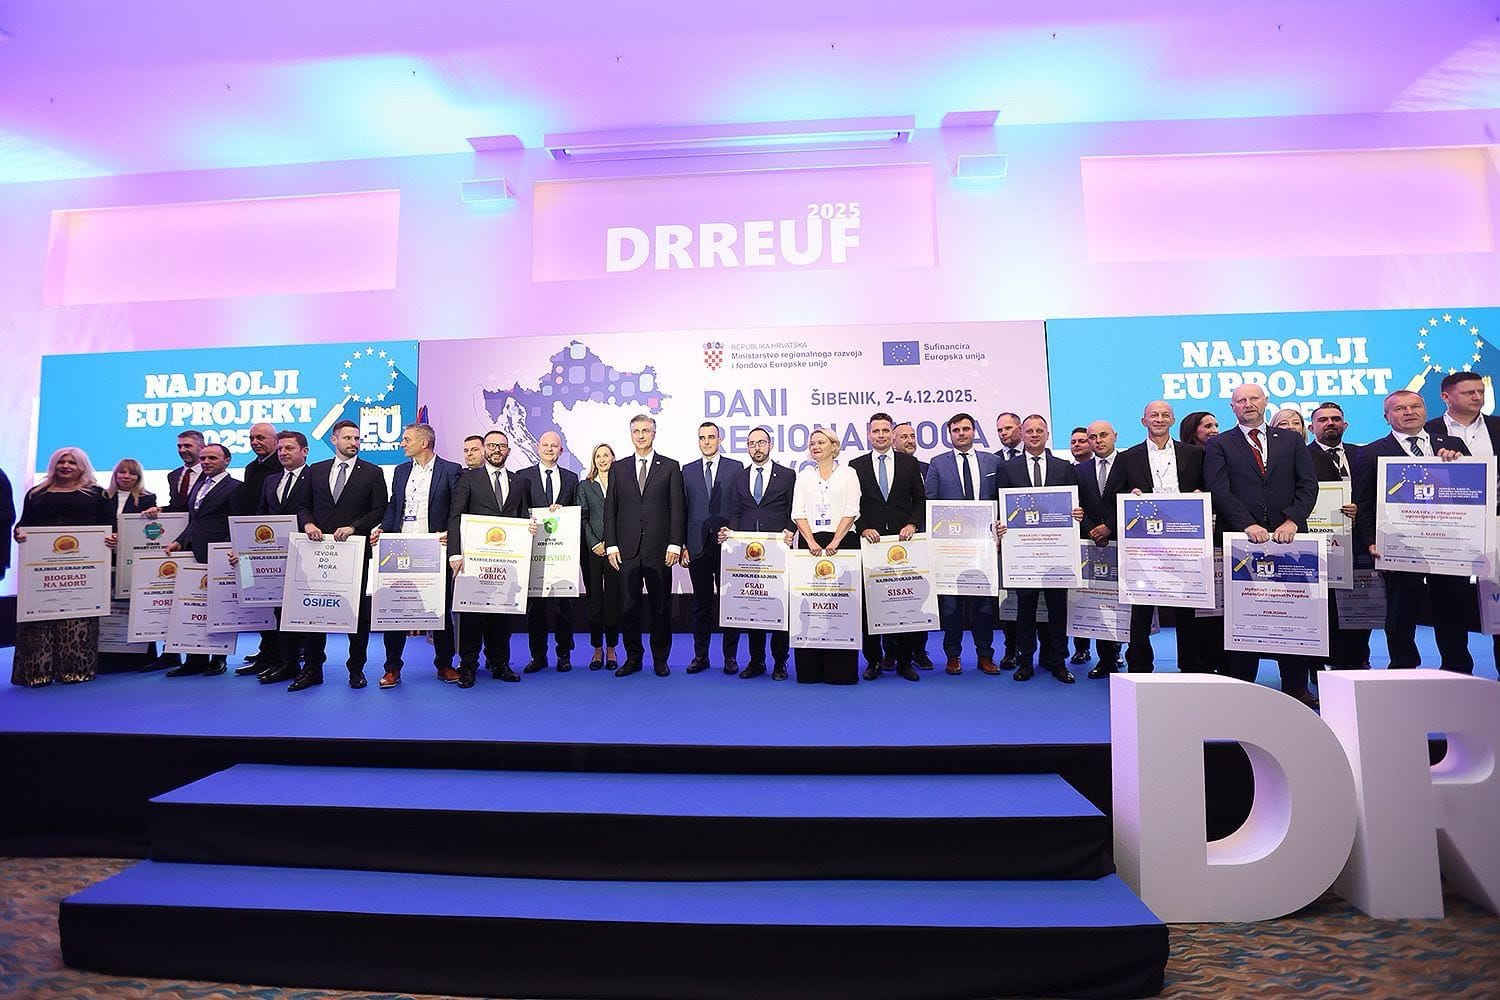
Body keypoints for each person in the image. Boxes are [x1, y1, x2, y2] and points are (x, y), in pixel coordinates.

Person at [1204, 383, 1321, 705]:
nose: (1248, 404)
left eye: (1253, 398)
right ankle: (1242, 685)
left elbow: (1308, 485)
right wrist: (1247, 524)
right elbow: (1219, 489)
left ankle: (1296, 685)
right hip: (1242, 540)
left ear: (1266, 401)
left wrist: (1293, 520)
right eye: (1240, 400)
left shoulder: (1291, 440)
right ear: (1232, 407)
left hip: (1290, 539)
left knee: (1293, 613)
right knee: (1245, 615)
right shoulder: (1219, 443)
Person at [1357, 389, 1473, 673]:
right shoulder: (1371, 452)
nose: (1409, 412)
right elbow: (1364, 503)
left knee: (1452, 609)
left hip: (1449, 544)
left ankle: (1457, 668)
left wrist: (1459, 463)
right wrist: (1371, 541)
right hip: (1399, 545)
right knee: (1401, 612)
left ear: (1425, 411)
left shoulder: (1452, 444)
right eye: (1399, 409)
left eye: (1415, 406)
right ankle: (1403, 666)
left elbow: (1472, 490)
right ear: (1386, 417)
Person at [290, 420, 388, 691]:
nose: (353, 443)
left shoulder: (373, 472)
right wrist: (308, 524)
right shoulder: (316, 470)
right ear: (334, 440)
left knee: (356, 613)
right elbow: (303, 506)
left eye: (357, 438)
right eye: (347, 438)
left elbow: (379, 509)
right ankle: (313, 669)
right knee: (315, 609)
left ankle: (356, 669)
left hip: (353, 551)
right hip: (317, 551)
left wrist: (354, 527)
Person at [1114, 400, 1207, 674]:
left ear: (1173, 420)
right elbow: (1114, 494)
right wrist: (1128, 497)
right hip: (1144, 541)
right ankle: (1139, 665)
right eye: (1153, 415)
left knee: (1186, 603)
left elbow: (1206, 486)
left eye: (1165, 415)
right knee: (1141, 604)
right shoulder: (1128, 457)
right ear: (1143, 421)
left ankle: (1190, 665)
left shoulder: (1194, 454)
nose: (1159, 419)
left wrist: (1200, 494)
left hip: (1185, 539)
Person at [370, 422, 463, 689]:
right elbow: (394, 504)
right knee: (395, 609)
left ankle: (445, 664)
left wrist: (450, 535)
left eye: (407, 439)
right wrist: (383, 528)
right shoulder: (400, 471)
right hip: (400, 547)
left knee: (440, 609)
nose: (402, 444)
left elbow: (455, 509)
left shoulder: (451, 470)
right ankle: (392, 668)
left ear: (424, 443)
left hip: (435, 548)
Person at [11, 447, 113, 686]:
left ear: (82, 467)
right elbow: (23, 524)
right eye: (61, 462)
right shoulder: (36, 493)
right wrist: (18, 533)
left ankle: (76, 669)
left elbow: (109, 525)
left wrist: (113, 538)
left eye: (72, 462)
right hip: (41, 570)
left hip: (83, 570)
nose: (66, 466)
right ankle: (36, 672)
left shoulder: (98, 494)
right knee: (37, 617)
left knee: (78, 618)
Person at [1424, 371, 1500, 679]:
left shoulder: (1498, 426)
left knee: (1498, 601)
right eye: (1469, 392)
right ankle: (1456, 672)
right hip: (1449, 528)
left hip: (1496, 524)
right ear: (1446, 397)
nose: (1477, 397)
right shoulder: (1426, 432)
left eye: (1480, 391)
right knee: (1448, 602)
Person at [999, 415, 1084, 683]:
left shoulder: (1064, 467)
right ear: (1022, 434)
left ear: (1047, 434)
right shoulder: (1007, 468)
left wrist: (1078, 512)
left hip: (1056, 553)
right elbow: (999, 504)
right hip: (1023, 553)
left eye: (1039, 430)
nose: (1034, 435)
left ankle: (1058, 662)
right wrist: (998, 524)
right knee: (1025, 611)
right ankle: (1025, 662)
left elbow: (1075, 502)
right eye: (1030, 431)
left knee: (1058, 610)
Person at [605, 414, 685, 677]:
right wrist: (611, 545)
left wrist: (675, 544)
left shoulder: (670, 466)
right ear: (631, 434)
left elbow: (678, 509)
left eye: (645, 430)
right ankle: (633, 658)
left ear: (654, 433)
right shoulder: (618, 468)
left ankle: (660, 660)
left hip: (659, 550)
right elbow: (610, 509)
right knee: (629, 608)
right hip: (626, 550)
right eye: (636, 431)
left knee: (660, 608)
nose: (640, 435)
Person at [923, 412, 1001, 675]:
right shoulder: (938, 463)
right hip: (950, 547)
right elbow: (931, 501)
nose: (961, 434)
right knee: (951, 606)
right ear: (950, 434)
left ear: (974, 431)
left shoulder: (993, 461)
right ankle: (953, 655)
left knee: (983, 606)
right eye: (955, 430)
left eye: (965, 429)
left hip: (983, 545)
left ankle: (985, 655)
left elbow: (1000, 498)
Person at [156, 442, 241, 678]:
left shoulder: (236, 487)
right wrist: (179, 541)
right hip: (193, 552)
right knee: (194, 605)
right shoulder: (199, 484)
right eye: (203, 458)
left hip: (220, 554)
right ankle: (195, 659)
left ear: (227, 461)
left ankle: (219, 659)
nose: (206, 462)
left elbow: (236, 521)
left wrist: (229, 548)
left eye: (212, 458)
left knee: (220, 606)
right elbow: (195, 520)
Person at [851, 412, 925, 682]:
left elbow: (920, 499)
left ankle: (904, 661)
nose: (880, 435)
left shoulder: (909, 463)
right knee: (871, 605)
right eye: (876, 431)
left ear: (893, 434)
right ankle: (874, 660)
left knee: (903, 602)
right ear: (868, 434)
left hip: (902, 545)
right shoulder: (855, 466)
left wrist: (913, 524)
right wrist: (862, 528)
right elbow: (851, 505)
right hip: (870, 545)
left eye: (885, 430)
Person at [718, 426, 796, 680]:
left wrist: (790, 530)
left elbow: (794, 511)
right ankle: (756, 661)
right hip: (748, 554)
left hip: (778, 553)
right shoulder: (739, 477)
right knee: (754, 607)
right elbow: (736, 512)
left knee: (779, 607)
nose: (757, 448)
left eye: (761, 442)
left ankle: (780, 662)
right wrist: (731, 536)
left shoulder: (787, 475)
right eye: (752, 444)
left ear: (770, 445)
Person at [449, 430, 525, 686]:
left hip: (506, 563)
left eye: (501, 446)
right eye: (492, 446)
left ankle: (500, 663)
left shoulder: (519, 482)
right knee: (472, 616)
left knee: (501, 615)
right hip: (474, 561)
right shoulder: (469, 478)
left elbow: (522, 517)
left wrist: (529, 529)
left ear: (508, 451)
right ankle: (468, 665)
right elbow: (456, 515)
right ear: (484, 449)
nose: (497, 450)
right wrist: (455, 553)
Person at [790, 427, 861, 684]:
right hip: (810, 545)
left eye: (821, 442)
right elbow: (797, 512)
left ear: (834, 446)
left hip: (843, 543)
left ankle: (840, 670)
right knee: (811, 605)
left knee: (839, 605)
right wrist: (810, 541)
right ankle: (809, 669)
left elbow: (852, 509)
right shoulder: (804, 476)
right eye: (812, 443)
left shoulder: (849, 474)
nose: (816, 447)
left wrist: (836, 541)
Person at [1307, 402, 1370, 671]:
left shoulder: (1363, 454)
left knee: (1361, 604)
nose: (1330, 423)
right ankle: (1318, 665)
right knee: (1323, 606)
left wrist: (1361, 509)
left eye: (1335, 419)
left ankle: (1357, 660)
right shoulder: (1301, 456)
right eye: (1323, 420)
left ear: (1345, 424)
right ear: (1312, 427)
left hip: (1360, 543)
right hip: (1320, 541)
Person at [682, 422, 743, 675]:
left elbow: (740, 506)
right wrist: (683, 544)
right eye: (702, 437)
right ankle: (701, 656)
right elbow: (682, 510)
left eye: (711, 437)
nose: (706, 441)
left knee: (729, 603)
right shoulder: (687, 470)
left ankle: (730, 657)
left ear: (720, 439)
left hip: (727, 546)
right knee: (701, 604)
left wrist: (734, 532)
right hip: (697, 547)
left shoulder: (736, 468)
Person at [250, 430, 310, 686]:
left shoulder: (315, 477)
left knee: (304, 611)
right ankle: (286, 663)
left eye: (289, 448)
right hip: (274, 558)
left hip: (306, 555)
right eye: (280, 449)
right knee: (279, 610)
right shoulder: (270, 480)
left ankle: (309, 666)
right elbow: (261, 517)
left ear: (304, 451)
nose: (283, 453)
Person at [517, 430, 580, 674]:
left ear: (561, 451)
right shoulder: (523, 477)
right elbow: (518, 510)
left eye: (554, 446)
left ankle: (564, 655)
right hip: (533, 551)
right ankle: (538, 656)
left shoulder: (572, 478)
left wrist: (564, 513)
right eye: (545, 445)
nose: (549, 449)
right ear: (537, 447)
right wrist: (526, 523)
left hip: (562, 554)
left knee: (565, 607)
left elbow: (577, 511)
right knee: (536, 608)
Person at [147, 429, 204, 673]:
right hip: (176, 544)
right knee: (172, 599)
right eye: (179, 446)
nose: (182, 450)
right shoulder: (174, 475)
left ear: (201, 447)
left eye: (187, 445)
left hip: (201, 544)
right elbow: (177, 507)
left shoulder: (213, 475)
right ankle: (170, 653)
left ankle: (199, 657)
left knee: (196, 600)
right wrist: (158, 510)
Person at [98, 458, 159, 673]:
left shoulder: (148, 499)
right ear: (115, 474)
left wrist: (154, 516)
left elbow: (151, 531)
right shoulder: (101, 497)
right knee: (106, 606)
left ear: (138, 477)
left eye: (132, 473)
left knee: (134, 606)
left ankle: (137, 658)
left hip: (132, 561)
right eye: (122, 472)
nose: (126, 476)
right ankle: (105, 658)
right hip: (104, 557)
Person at [1075, 420, 1125, 678]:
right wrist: (1093, 530)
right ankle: (1105, 660)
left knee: (1124, 605)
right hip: (1092, 543)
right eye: (1092, 437)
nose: (1098, 440)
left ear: (1115, 435)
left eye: (1103, 435)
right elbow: (1078, 505)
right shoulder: (1080, 470)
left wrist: (1110, 527)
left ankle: (1127, 655)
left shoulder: (1129, 462)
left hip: (1123, 541)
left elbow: (1133, 498)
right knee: (1100, 602)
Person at [1177, 411, 1226, 674]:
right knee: (1191, 604)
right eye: (1207, 426)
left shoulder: (1226, 454)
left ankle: (1220, 658)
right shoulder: (1183, 458)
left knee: (1220, 603)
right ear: (1192, 430)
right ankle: (1193, 662)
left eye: (1216, 424)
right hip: (1189, 540)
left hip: (1219, 536)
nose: (1214, 429)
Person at [229, 423, 278, 673]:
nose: (254, 442)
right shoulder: (251, 468)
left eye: (260, 437)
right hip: (253, 543)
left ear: (275, 440)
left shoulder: (283, 466)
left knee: (275, 602)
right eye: (251, 438)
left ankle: (276, 655)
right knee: (259, 598)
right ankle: (267, 650)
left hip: (275, 544)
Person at [893, 420, 933, 670]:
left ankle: (919, 650)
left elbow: (927, 502)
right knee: (888, 597)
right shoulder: (884, 466)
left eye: (912, 436)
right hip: (892, 541)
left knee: (918, 598)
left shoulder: (928, 468)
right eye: (904, 436)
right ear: (893, 441)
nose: (909, 440)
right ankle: (890, 653)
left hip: (920, 541)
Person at [578, 444, 620, 671]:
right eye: (598, 456)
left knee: (613, 600)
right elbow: (582, 517)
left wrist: (611, 543)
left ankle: (612, 648)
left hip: (616, 550)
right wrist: (594, 543)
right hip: (592, 551)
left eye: (606, 455)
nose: (602, 459)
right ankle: (597, 649)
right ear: (593, 460)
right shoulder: (585, 485)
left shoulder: (622, 482)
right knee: (595, 600)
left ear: (613, 457)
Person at [992, 411, 1025, 666]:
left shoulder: (1048, 459)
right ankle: (1011, 649)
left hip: (1041, 542)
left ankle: (1047, 653)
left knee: (1043, 603)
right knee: (1010, 599)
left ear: (1020, 429)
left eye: (1009, 428)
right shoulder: (992, 462)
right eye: (1000, 430)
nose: (1004, 433)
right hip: (1006, 541)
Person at [1067, 426, 1096, 667]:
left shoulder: (1109, 467)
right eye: (1073, 442)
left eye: (1082, 441)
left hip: (1105, 537)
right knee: (1080, 598)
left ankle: (1114, 650)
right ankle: (1081, 648)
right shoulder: (1067, 471)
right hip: (1077, 540)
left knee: (1108, 597)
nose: (1077, 445)